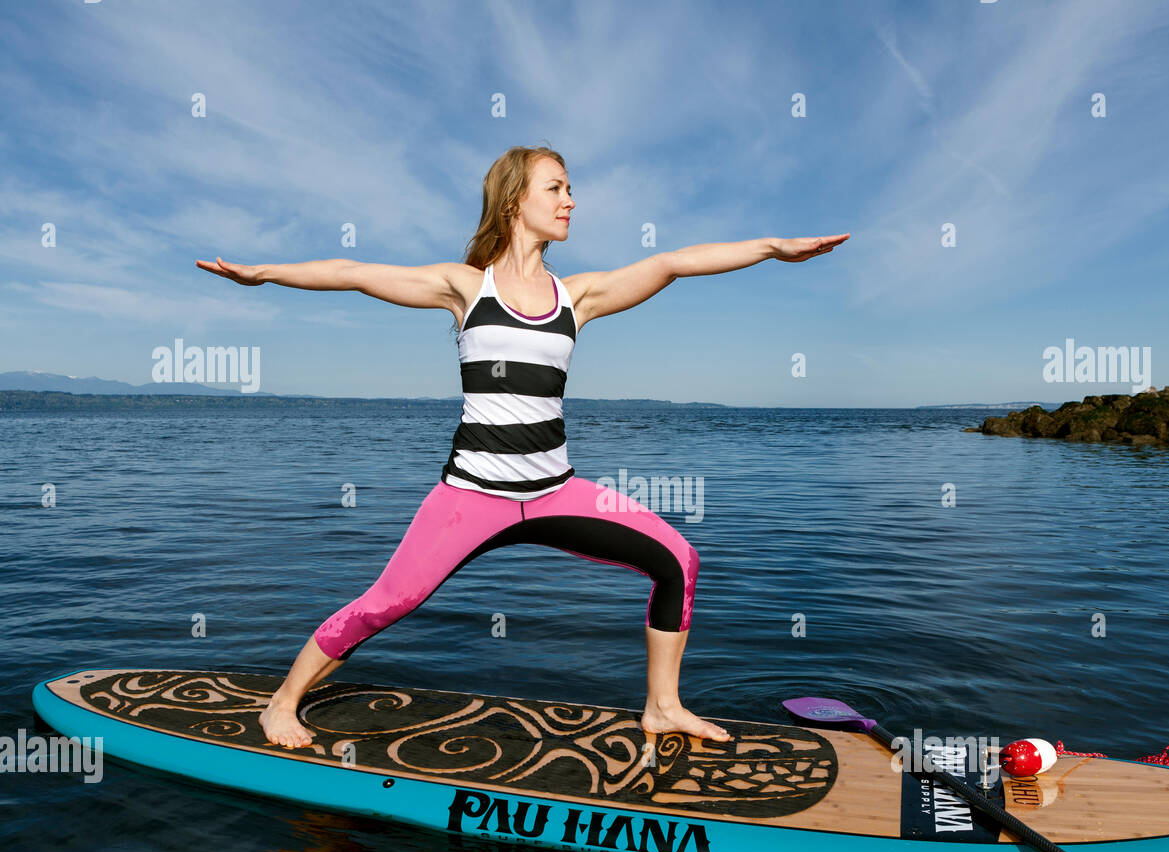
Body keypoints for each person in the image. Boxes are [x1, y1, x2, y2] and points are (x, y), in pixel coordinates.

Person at [197, 144, 848, 750]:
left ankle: (662, 705)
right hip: (472, 496)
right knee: (387, 602)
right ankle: (281, 702)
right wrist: (264, 274)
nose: (571, 201)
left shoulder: (577, 297)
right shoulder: (466, 287)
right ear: (516, 201)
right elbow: (353, 272)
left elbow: (672, 263)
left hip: (554, 492)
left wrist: (769, 247)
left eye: (571, 189)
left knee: (678, 559)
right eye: (556, 188)